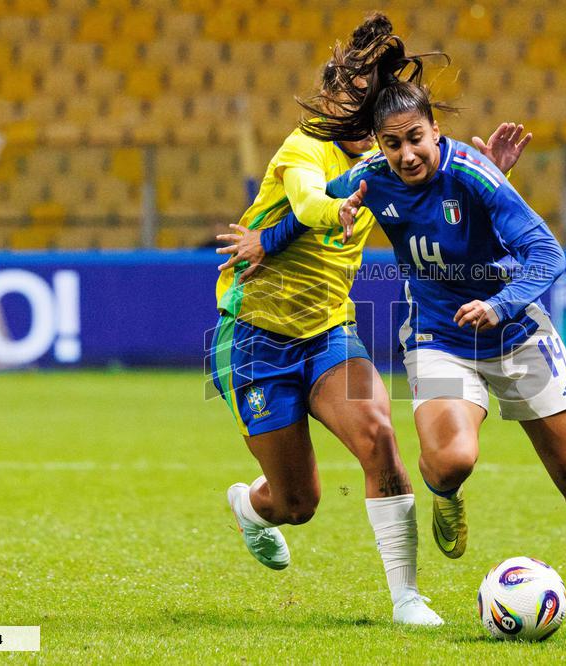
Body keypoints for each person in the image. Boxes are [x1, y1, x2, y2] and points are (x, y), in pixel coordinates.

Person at [259, 34, 566, 626]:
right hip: (440, 336)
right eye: (393, 144)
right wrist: (265, 241)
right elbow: (316, 211)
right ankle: (446, 497)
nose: (407, 155)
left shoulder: (476, 175)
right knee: (452, 460)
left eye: (416, 139)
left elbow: (547, 253)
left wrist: (502, 303)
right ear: (380, 146)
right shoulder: (372, 177)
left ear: (434, 130)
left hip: (515, 334)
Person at [209, 13, 528, 626]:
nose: (354, 108)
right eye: (346, 93)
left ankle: (407, 598)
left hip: (329, 332)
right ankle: (252, 507)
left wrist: (493, 179)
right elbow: (308, 201)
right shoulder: (304, 147)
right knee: (298, 503)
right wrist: (327, 215)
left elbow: (442, 205)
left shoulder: (389, 162)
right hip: (255, 336)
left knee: (379, 438)